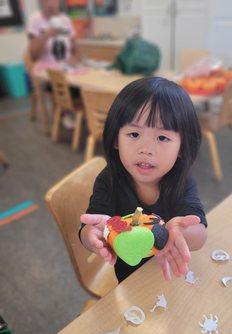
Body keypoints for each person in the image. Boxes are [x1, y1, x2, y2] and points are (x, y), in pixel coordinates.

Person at [79, 77, 207, 282]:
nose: (145, 149)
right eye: (134, 134)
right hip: (130, 279)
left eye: (162, 138)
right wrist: (95, 235)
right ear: (115, 139)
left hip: (172, 273)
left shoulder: (183, 182)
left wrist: (180, 232)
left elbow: (200, 235)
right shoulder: (109, 180)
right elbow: (88, 231)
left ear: (182, 147)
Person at [26, 0, 81, 71]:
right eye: (46, 1)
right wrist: (46, 36)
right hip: (46, 72)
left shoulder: (66, 19)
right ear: (40, 2)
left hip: (66, 69)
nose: (50, 4)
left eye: (54, 1)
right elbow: (34, 56)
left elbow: (77, 49)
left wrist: (74, 59)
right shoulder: (35, 19)